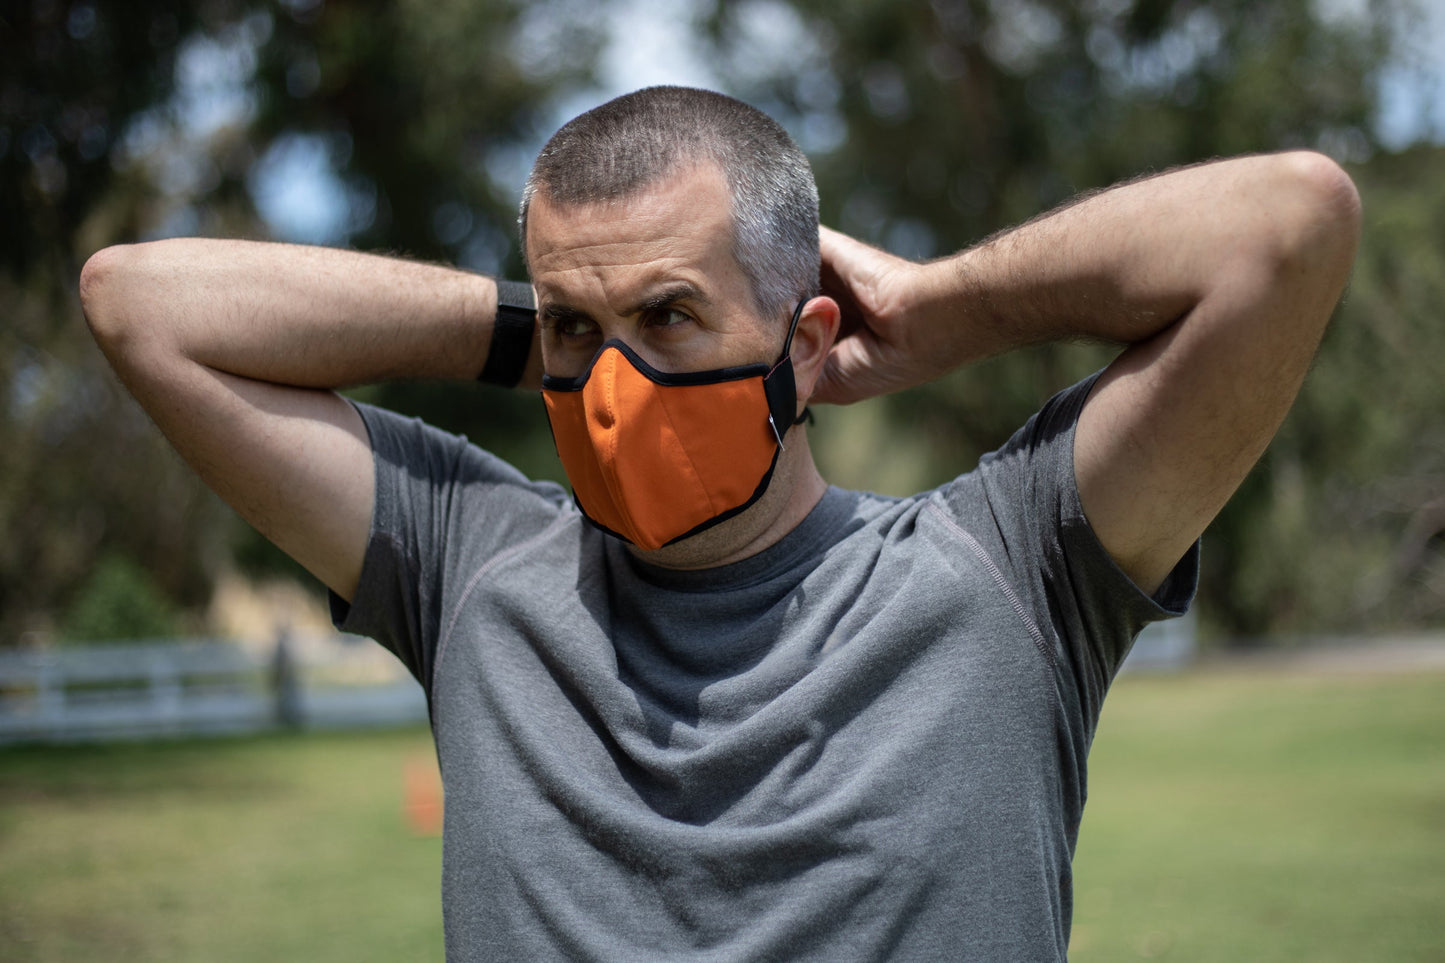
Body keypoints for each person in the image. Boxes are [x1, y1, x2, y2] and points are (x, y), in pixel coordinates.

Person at [80, 86, 1359, 961]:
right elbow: (143, 305)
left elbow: (1287, 224)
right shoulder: (468, 564)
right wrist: (537, 326)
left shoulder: (1009, 569)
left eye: (671, 317)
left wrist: (932, 310)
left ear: (802, 347)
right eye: (580, 332)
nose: (613, 387)